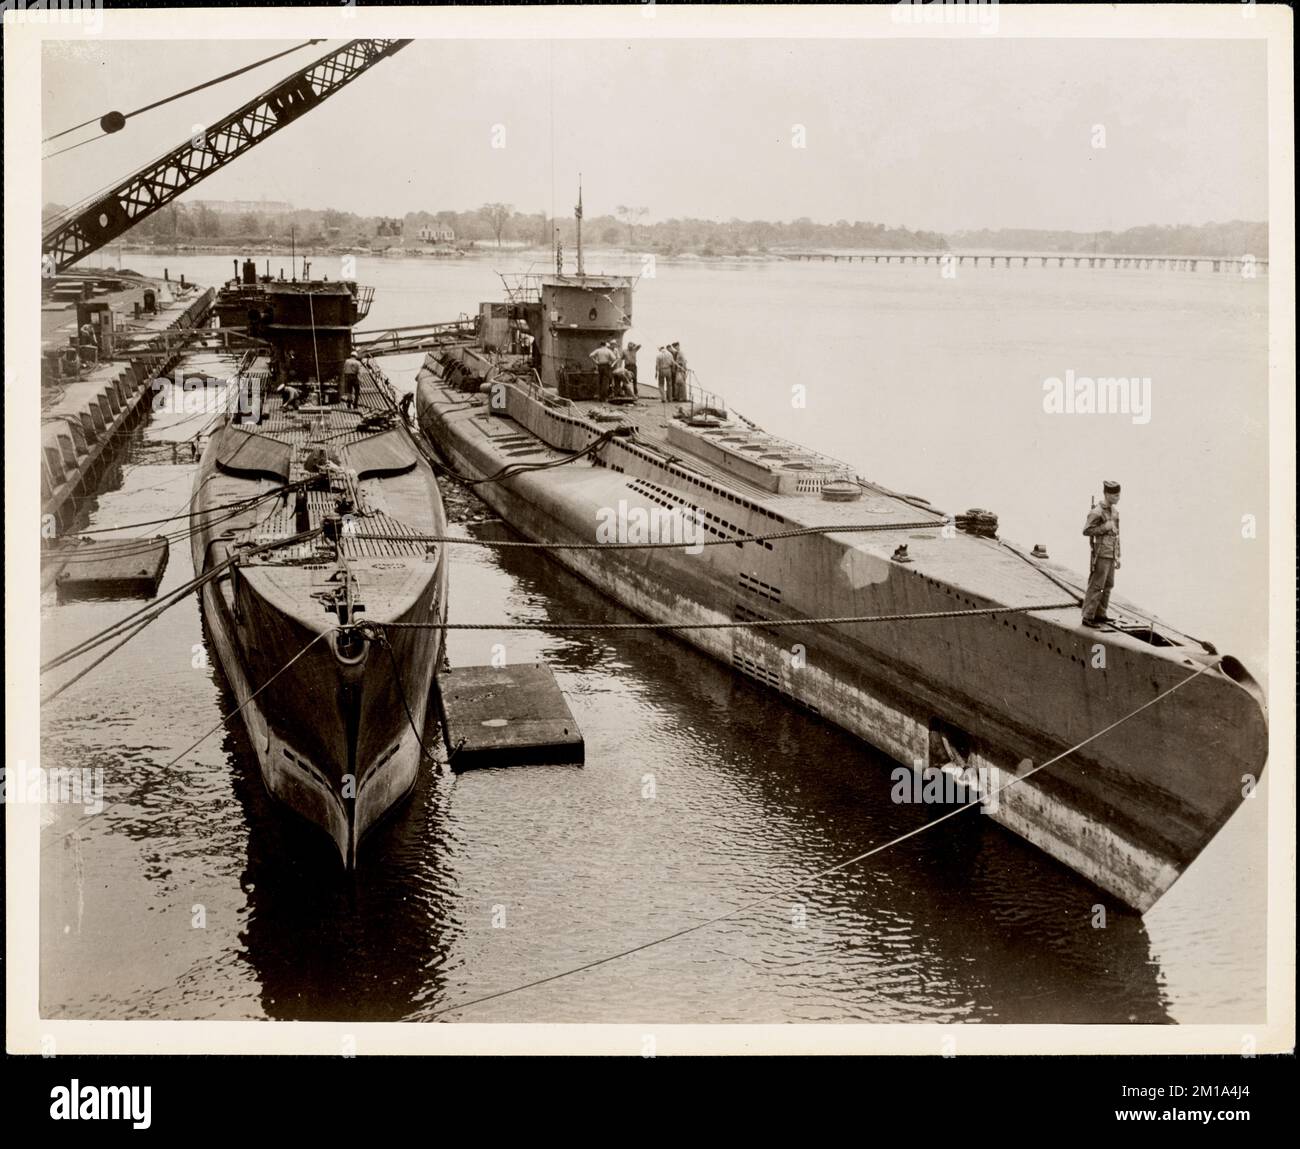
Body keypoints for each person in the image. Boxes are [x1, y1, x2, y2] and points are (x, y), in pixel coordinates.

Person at [1081, 480, 1121, 627]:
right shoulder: (1097, 512)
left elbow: (1117, 535)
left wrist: (1118, 556)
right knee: (1097, 585)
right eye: (1115, 495)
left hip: (1111, 553)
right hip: (1101, 553)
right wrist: (1104, 527)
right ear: (1107, 494)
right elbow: (1086, 530)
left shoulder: (1115, 512)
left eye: (1118, 495)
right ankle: (1088, 616)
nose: (1118, 498)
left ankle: (1101, 614)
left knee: (1109, 585)